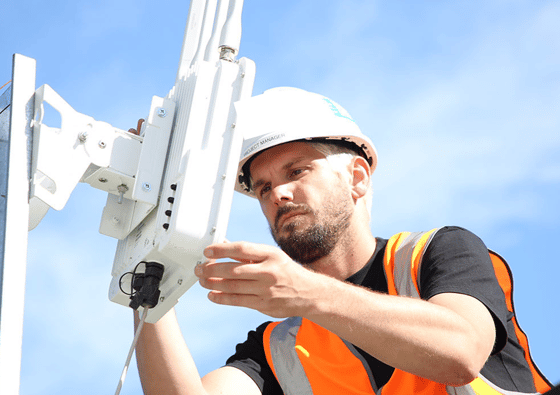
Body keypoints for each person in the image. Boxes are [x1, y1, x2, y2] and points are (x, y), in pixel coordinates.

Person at [134, 87, 552, 394]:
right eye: (263, 187)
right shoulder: (278, 349)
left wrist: (308, 293)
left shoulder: (436, 254)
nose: (277, 194)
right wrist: (147, 276)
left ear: (357, 178)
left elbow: (460, 352)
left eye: (296, 171)